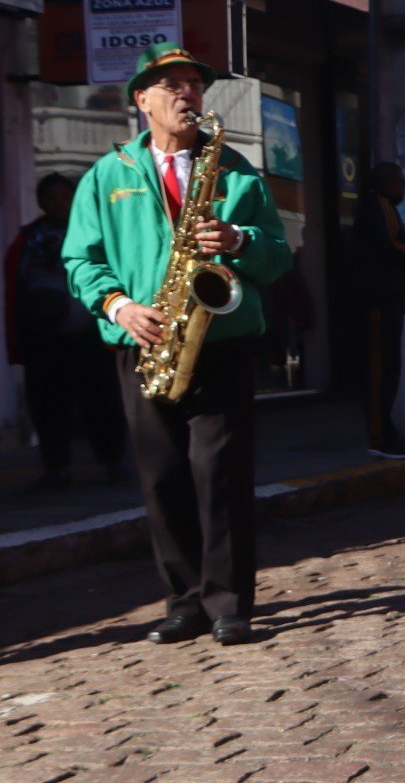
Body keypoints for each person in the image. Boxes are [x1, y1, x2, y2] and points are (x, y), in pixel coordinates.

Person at [61, 43, 290, 644]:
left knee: (220, 473)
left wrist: (239, 240)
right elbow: (81, 260)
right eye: (170, 86)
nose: (186, 94)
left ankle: (229, 601)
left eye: (193, 84)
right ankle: (183, 599)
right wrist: (120, 307)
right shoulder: (108, 175)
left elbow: (276, 258)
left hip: (224, 341)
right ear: (143, 101)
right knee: (161, 478)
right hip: (147, 342)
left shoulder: (236, 170)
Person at [7, 173, 127, 491]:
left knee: (101, 402)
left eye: (65, 197)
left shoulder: (92, 233)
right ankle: (55, 468)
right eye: (51, 198)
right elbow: (15, 287)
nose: (59, 204)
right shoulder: (29, 238)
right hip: (44, 341)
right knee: (48, 407)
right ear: (40, 202)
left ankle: (114, 461)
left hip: (89, 336)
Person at [353, 161, 405, 459]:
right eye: (400, 182)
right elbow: (391, 244)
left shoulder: (375, 206)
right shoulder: (380, 205)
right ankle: (380, 438)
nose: (403, 188)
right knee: (381, 371)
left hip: (382, 299)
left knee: (385, 369)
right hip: (380, 301)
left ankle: (385, 432)